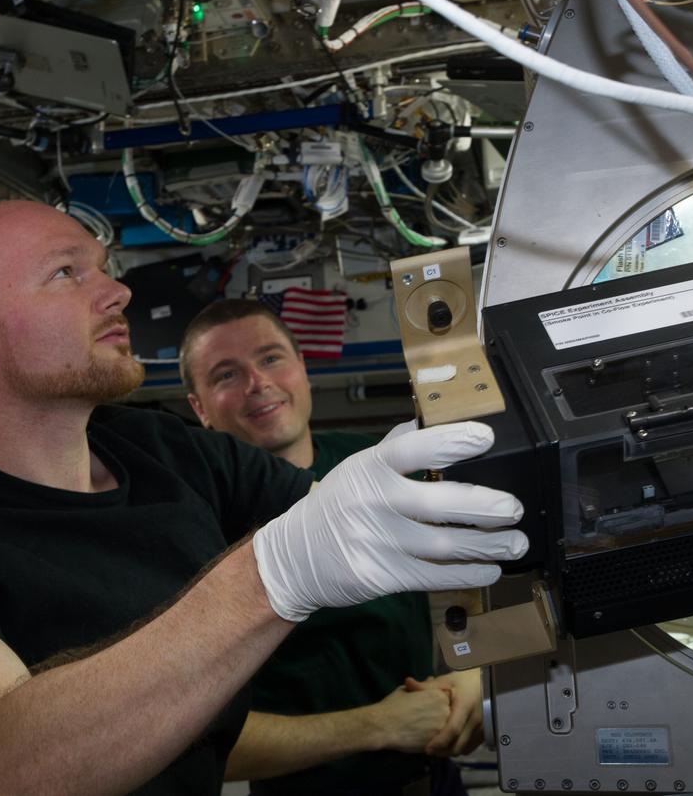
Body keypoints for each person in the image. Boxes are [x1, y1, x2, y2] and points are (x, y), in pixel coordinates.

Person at [0, 200, 527, 796]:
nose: (117, 292)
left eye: (105, 270)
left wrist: (482, 659)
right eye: (65, 272)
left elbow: (404, 522)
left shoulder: (166, 452)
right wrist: (272, 575)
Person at [181, 300, 482, 796]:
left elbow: (471, 568)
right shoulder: (194, 525)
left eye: (272, 358)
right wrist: (376, 726)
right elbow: (195, 744)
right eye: (226, 374)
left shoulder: (378, 462)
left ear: (303, 368)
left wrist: (472, 673)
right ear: (199, 409)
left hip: (433, 778)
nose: (258, 383)